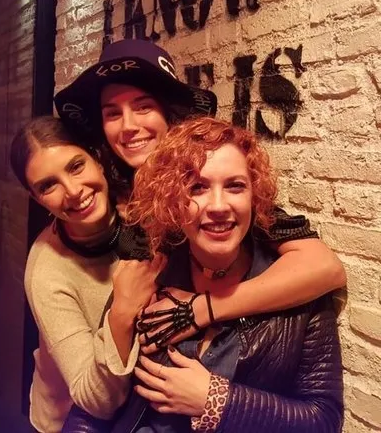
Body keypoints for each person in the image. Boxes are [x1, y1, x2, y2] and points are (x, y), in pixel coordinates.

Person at [54, 38, 346, 356]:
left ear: (170, 114)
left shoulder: (212, 182)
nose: (128, 126)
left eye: (143, 107)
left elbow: (324, 267)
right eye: (112, 114)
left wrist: (203, 309)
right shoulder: (110, 192)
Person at [64, 117, 344, 432]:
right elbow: (90, 413)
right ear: (172, 200)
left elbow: (324, 419)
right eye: (197, 187)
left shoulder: (296, 286)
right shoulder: (147, 276)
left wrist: (216, 401)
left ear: (254, 195)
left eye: (235, 186)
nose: (218, 206)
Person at [10, 116, 165, 433]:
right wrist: (122, 312)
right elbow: (94, 400)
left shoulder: (139, 213)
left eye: (76, 166)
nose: (72, 191)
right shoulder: (47, 272)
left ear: (97, 159)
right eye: (48, 186)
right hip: (69, 422)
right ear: (37, 199)